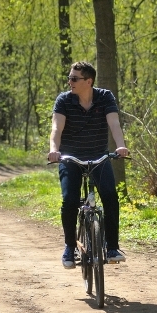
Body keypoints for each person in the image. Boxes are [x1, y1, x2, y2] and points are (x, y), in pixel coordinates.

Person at [47, 61, 129, 269]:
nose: (70, 81)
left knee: (110, 196)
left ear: (88, 81)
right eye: (69, 77)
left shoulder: (105, 97)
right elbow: (56, 128)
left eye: (74, 78)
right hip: (70, 158)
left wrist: (121, 146)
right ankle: (69, 247)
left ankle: (112, 247)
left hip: (98, 156)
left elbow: (114, 124)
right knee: (69, 200)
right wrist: (54, 150)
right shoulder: (64, 100)